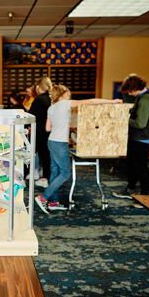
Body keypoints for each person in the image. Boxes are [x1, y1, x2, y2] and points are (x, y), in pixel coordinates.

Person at [35, 84, 123, 213]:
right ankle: (44, 197)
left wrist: (64, 127)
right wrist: (113, 101)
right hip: (60, 144)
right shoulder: (65, 104)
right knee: (65, 173)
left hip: (52, 141)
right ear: (64, 93)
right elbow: (90, 101)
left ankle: (53, 202)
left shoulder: (52, 107)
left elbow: (48, 128)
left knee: (55, 172)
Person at [112, 74, 149, 207]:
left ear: (134, 88)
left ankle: (145, 198)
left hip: (141, 138)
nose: (130, 94)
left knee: (141, 168)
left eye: (130, 91)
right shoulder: (144, 96)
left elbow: (140, 123)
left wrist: (123, 119)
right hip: (137, 137)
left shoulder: (145, 100)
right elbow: (135, 112)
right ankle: (130, 190)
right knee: (131, 165)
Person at [28, 77, 52, 188]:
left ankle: (21, 178)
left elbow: (30, 115)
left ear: (39, 87)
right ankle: (44, 179)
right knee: (45, 156)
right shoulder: (52, 99)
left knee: (29, 154)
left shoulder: (38, 100)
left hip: (37, 131)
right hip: (49, 131)